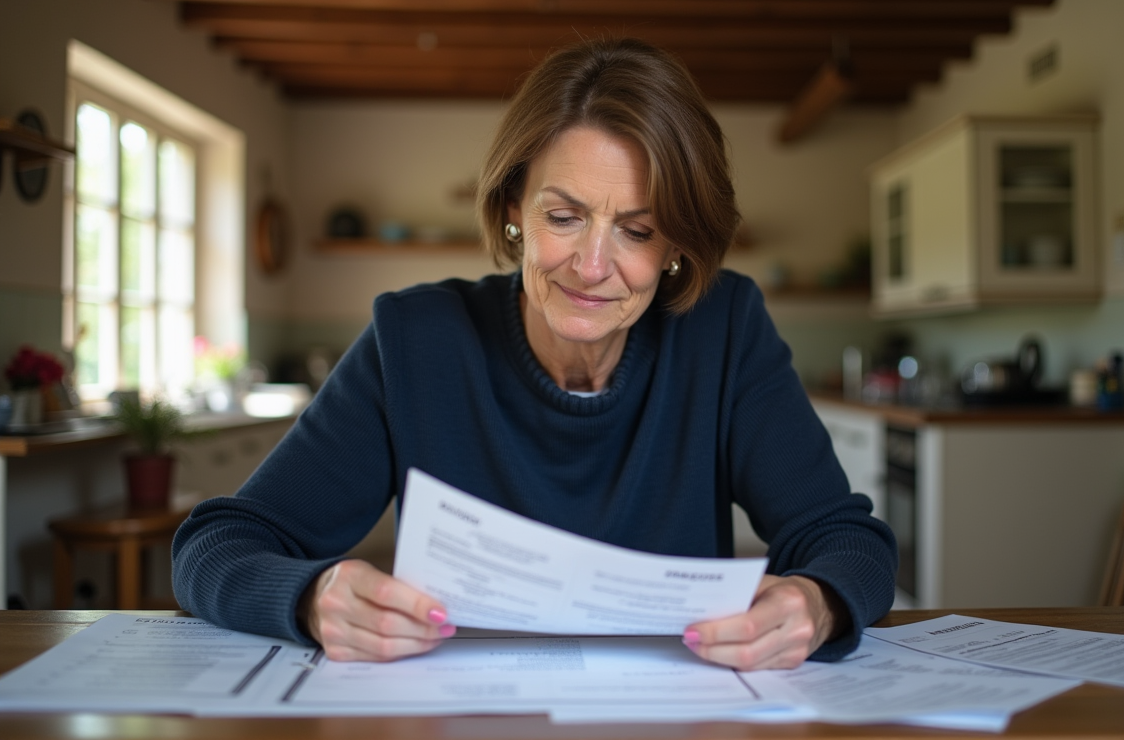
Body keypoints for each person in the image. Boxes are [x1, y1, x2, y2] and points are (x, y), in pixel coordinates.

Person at [172, 37, 896, 672]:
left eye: (638, 232)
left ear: (678, 246)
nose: (590, 266)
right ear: (514, 206)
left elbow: (846, 540)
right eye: (564, 217)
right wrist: (309, 597)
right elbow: (216, 544)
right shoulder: (415, 339)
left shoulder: (725, 328)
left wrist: (817, 602)